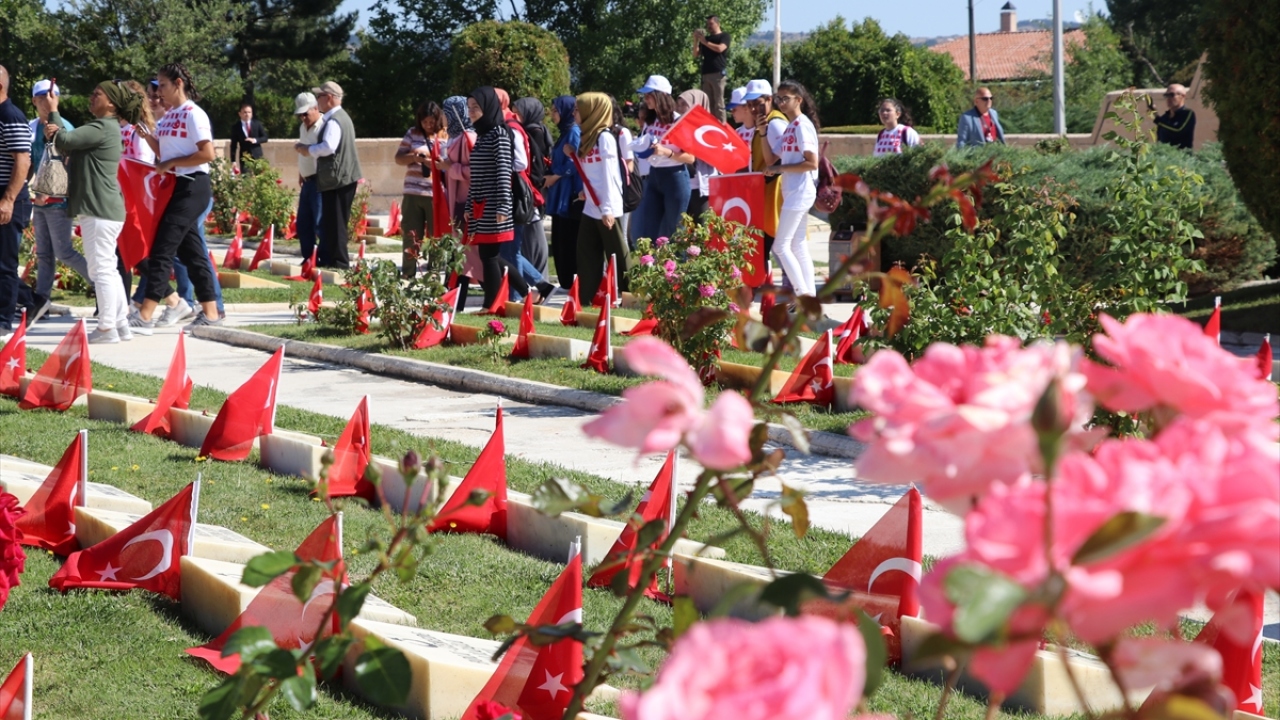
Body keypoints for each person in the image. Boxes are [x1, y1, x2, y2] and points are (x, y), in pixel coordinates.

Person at [45, 81, 142, 343]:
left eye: (97, 94)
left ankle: (107, 327)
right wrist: (57, 129)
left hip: (99, 208)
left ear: (111, 103)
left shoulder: (101, 127)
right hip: (104, 208)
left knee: (101, 270)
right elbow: (67, 143)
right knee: (107, 267)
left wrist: (53, 111)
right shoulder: (106, 128)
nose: (91, 97)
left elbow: (65, 140)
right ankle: (120, 324)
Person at [129, 62, 221, 334]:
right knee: (192, 253)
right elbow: (164, 153)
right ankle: (211, 312)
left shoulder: (194, 114)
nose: (159, 92)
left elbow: (207, 154)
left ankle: (145, 315)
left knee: (162, 248)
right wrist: (148, 138)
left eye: (163, 85)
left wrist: (171, 163)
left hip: (194, 185)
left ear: (178, 83)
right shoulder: (168, 116)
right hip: (176, 187)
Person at [465, 87, 538, 307]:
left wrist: (503, 206)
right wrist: (469, 206)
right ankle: (526, 291)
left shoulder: (499, 134)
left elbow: (504, 172)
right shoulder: (482, 135)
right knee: (490, 255)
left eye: (476, 107)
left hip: (495, 203)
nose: (471, 112)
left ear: (488, 108)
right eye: (469, 107)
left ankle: (492, 304)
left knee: (489, 256)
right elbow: (475, 175)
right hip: (480, 203)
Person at [29, 80, 91, 322]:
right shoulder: (32, 126)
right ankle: (42, 302)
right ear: (34, 101)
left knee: (64, 251)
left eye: (51, 97)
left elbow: (69, 163)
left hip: (59, 200)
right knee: (44, 254)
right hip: (40, 199)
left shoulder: (64, 127)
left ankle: (104, 286)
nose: (47, 103)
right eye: (42, 99)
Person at [762, 80, 820, 299]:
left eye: (785, 98)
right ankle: (809, 298)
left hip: (800, 190)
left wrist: (779, 169)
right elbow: (771, 158)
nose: (781, 102)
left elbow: (812, 162)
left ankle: (803, 295)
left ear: (799, 100)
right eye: (779, 98)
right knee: (797, 245)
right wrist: (762, 132)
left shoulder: (802, 125)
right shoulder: (791, 126)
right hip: (792, 190)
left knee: (780, 246)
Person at [298, 81, 362, 268]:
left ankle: (339, 263)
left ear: (330, 98)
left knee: (336, 224)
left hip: (338, 180)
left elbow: (328, 147)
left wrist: (307, 150)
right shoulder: (341, 117)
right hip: (341, 179)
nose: (317, 100)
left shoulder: (334, 120)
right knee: (333, 223)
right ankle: (333, 261)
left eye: (320, 96)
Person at [573, 92, 629, 306]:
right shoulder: (586, 136)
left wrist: (607, 209)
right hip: (591, 206)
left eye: (578, 109)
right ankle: (586, 299)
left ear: (592, 111)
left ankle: (631, 296)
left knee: (617, 253)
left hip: (607, 207)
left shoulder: (604, 138)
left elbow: (609, 175)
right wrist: (585, 191)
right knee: (586, 252)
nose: (574, 113)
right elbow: (591, 172)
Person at [632, 75, 694, 243]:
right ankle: (652, 261)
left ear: (661, 96)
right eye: (645, 95)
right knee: (650, 231)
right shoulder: (650, 121)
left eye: (649, 95)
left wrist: (665, 152)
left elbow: (690, 158)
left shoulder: (679, 121)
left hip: (675, 177)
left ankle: (680, 261)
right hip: (654, 176)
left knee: (675, 232)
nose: (646, 99)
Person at [0, 65, 33, 343]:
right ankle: (33, 301)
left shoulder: (10, 115)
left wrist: (8, 199)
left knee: (4, 263)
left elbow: (23, 160)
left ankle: (2, 322)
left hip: (8, 196)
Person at [394, 100, 444, 277]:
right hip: (413, 192)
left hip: (435, 192)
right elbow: (398, 158)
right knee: (411, 233)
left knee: (436, 235)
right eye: (424, 122)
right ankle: (408, 272)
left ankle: (434, 272)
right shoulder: (412, 133)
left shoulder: (444, 135)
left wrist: (434, 162)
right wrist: (414, 158)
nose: (428, 125)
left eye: (431, 122)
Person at [745, 79, 788, 270]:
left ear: (769, 99)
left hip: (776, 191)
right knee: (767, 246)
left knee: (778, 245)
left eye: (758, 103)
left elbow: (786, 158)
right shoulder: (765, 123)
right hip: (767, 191)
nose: (753, 109)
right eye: (750, 104)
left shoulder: (775, 124)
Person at [544, 95, 582, 290]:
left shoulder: (574, 131)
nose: (552, 115)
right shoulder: (564, 132)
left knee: (567, 237)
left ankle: (571, 281)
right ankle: (565, 281)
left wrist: (555, 176)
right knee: (559, 238)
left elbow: (575, 162)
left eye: (555, 111)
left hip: (568, 190)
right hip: (559, 189)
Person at [514, 96, 553, 279]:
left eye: (519, 112)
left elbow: (533, 163)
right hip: (531, 188)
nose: (515, 115)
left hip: (531, 189)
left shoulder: (533, 131)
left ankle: (540, 281)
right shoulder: (532, 129)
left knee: (533, 237)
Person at [677, 89, 717, 221]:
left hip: (702, 187)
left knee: (702, 227)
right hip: (682, 185)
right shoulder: (677, 127)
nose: (680, 108)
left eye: (684, 104)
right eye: (679, 104)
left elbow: (714, 158)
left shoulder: (710, 129)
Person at [294, 92, 322, 264]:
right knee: (303, 222)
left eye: (306, 113)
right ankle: (308, 258)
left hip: (319, 181)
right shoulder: (303, 127)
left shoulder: (323, 126)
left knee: (319, 222)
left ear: (315, 108)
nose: (303, 118)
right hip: (307, 180)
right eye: (300, 115)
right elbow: (303, 153)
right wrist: (301, 173)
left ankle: (323, 258)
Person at [694, 15, 731, 122]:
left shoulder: (724, 36)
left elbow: (720, 48)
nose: (709, 26)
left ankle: (722, 124)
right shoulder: (706, 39)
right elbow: (696, 54)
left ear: (718, 23)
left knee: (719, 103)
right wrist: (696, 40)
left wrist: (705, 42)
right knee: (707, 103)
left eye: (711, 24)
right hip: (706, 74)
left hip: (718, 74)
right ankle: (710, 124)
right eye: (707, 24)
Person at [1155, 83, 1195, 150]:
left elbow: (1178, 130)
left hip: (1181, 155)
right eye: (1167, 95)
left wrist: (1158, 119)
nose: (1168, 98)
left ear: (1182, 96)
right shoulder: (1164, 117)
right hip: (1164, 155)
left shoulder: (1188, 114)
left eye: (1171, 95)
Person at [229, 102, 267, 167]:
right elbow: (233, 145)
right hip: (245, 158)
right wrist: (233, 160)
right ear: (240, 114)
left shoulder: (257, 124)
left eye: (249, 112)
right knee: (246, 173)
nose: (247, 114)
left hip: (257, 157)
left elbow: (265, 137)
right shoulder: (236, 127)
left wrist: (255, 140)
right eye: (245, 112)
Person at [728, 86, 755, 150]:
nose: (732, 112)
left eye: (734, 109)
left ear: (746, 108)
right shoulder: (736, 133)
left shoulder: (761, 131)